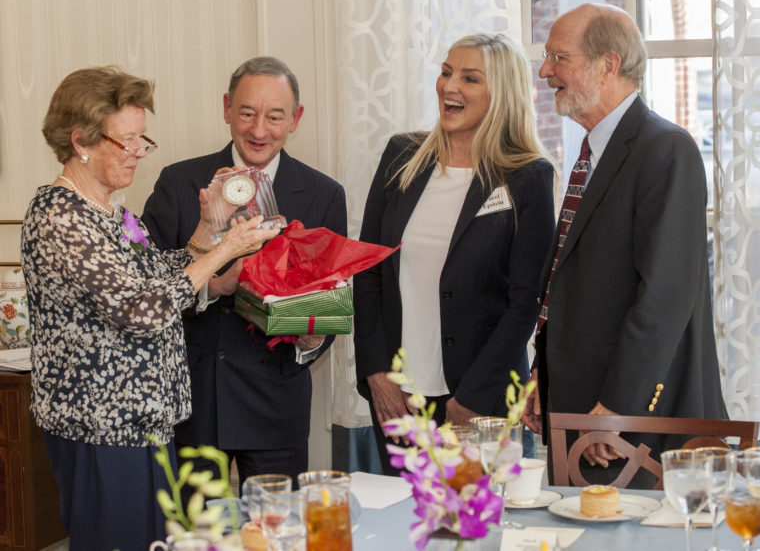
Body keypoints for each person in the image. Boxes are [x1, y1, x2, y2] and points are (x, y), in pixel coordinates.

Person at [21, 66, 278, 551]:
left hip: (147, 427)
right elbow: (142, 311)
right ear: (81, 141)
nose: (140, 151)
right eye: (127, 141)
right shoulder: (58, 215)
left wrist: (208, 230)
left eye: (143, 138)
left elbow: (162, 274)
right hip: (101, 428)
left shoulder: (112, 212)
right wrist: (226, 251)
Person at [523, 3, 727, 482]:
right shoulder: (591, 152)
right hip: (582, 414)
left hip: (633, 430)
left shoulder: (666, 150)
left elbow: (663, 299)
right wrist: (543, 375)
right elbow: (570, 282)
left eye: (559, 57)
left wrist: (615, 410)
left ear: (608, 64)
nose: (545, 70)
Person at [353, 33, 556, 475]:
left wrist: (473, 399)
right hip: (400, 395)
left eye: (469, 78)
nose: (449, 86)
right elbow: (367, 270)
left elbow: (525, 302)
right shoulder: (400, 155)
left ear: (501, 94)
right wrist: (376, 373)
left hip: (479, 398)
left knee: (478, 530)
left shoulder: (528, 178)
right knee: (406, 530)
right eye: (446, 72)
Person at [142, 56, 347, 488]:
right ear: (226, 109)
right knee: (197, 535)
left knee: (277, 530)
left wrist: (312, 338)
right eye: (247, 113)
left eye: (274, 116)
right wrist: (215, 285)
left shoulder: (324, 194)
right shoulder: (178, 183)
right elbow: (149, 294)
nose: (258, 130)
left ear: (295, 119)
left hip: (275, 400)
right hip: (194, 401)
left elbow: (330, 299)